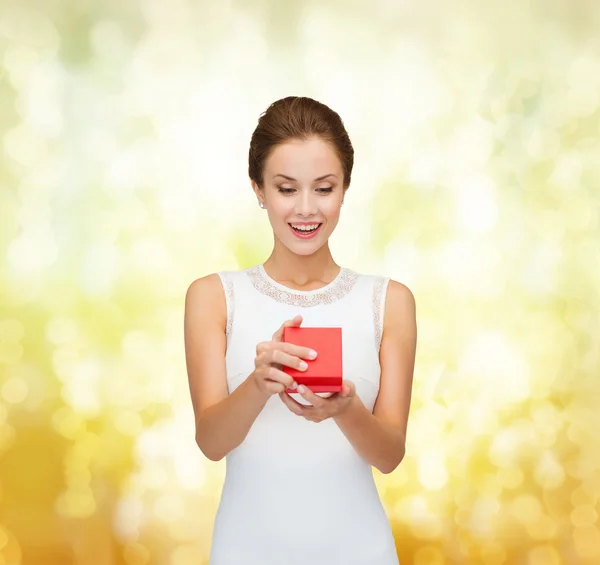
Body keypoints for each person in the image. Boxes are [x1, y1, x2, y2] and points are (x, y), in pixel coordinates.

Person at [184, 96, 417, 565]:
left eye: (324, 188)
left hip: (360, 550)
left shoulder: (388, 301)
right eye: (287, 188)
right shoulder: (213, 297)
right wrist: (257, 384)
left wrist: (347, 409)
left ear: (345, 188)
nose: (306, 209)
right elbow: (211, 443)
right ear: (258, 189)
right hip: (246, 551)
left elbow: (389, 456)